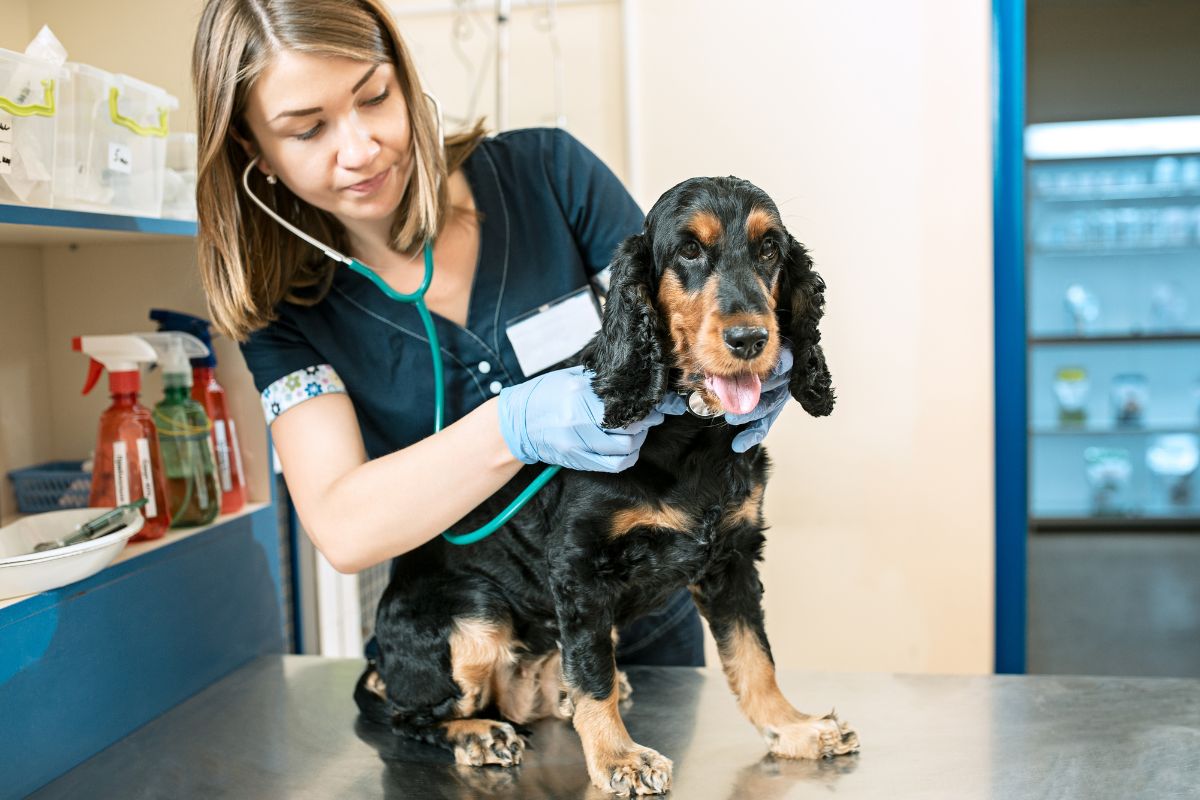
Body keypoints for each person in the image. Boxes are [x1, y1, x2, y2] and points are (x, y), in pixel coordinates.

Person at [191, 0, 787, 668]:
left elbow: (684, 312)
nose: (359, 148)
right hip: (473, 641)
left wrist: (754, 354)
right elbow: (344, 529)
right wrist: (511, 427)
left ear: (406, 80)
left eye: (375, 96)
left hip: (637, 625)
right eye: (307, 130)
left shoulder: (550, 176)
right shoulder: (282, 311)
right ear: (252, 147)